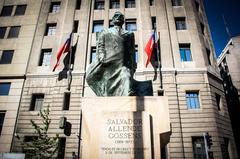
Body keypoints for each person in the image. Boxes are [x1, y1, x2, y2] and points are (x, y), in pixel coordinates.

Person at [86, 11, 137, 96]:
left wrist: (133, 63)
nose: (118, 17)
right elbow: (101, 46)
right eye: (116, 16)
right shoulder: (105, 32)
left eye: (120, 16)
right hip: (109, 62)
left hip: (123, 63)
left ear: (123, 21)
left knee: (126, 74)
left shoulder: (130, 34)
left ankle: (127, 92)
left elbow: (132, 50)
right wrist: (101, 56)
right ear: (112, 20)